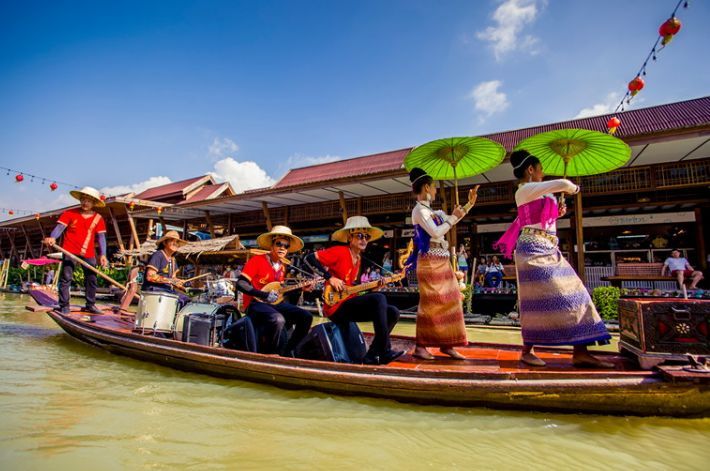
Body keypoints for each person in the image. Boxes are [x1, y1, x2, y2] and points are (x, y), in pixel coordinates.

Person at [494, 149, 612, 368]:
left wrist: (556, 213)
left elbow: (543, 220)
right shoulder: (525, 190)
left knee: (576, 293)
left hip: (549, 247)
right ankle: (528, 351)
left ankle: (580, 350)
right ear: (531, 170)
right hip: (532, 249)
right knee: (537, 300)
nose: (543, 173)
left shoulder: (538, 194)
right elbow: (564, 184)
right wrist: (573, 187)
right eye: (541, 169)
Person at [305, 216, 404, 365]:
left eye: (366, 236)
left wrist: (373, 289)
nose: (364, 239)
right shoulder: (340, 251)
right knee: (379, 299)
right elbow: (310, 258)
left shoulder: (358, 259)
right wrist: (329, 277)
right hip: (335, 308)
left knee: (393, 312)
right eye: (360, 236)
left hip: (348, 303)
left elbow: (355, 292)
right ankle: (384, 350)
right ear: (350, 238)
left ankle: (371, 355)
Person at [407, 167, 479, 360]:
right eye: (433, 187)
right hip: (429, 260)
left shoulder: (433, 211)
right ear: (426, 187)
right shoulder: (419, 210)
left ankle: (448, 344)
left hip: (441, 258)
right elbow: (437, 232)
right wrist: (454, 217)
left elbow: (451, 219)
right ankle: (421, 346)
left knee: (453, 298)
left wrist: (468, 204)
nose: (436, 190)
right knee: (431, 303)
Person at [234, 226, 314, 356]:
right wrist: (263, 294)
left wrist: (300, 289)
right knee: (278, 319)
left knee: (306, 317)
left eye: (286, 246)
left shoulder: (282, 267)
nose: (282, 248)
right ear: (271, 246)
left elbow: (280, 292)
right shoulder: (257, 261)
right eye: (279, 244)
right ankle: (271, 354)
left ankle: (287, 350)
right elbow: (240, 283)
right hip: (254, 304)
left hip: (274, 304)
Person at [43, 186, 108, 315]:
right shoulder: (70, 213)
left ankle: (90, 304)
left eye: (89, 201)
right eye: (83, 199)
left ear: (94, 203)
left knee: (91, 278)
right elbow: (59, 228)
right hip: (69, 250)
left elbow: (101, 238)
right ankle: (64, 305)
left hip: (88, 253)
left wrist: (103, 255)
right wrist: (52, 237)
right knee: (66, 277)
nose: (85, 203)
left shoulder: (98, 218)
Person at [142, 230, 191, 309]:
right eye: (172, 240)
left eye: (177, 242)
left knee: (187, 300)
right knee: (179, 300)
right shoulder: (158, 255)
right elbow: (150, 276)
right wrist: (171, 281)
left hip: (167, 290)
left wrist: (179, 283)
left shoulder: (173, 259)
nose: (175, 243)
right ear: (164, 243)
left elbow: (173, 278)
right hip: (154, 290)